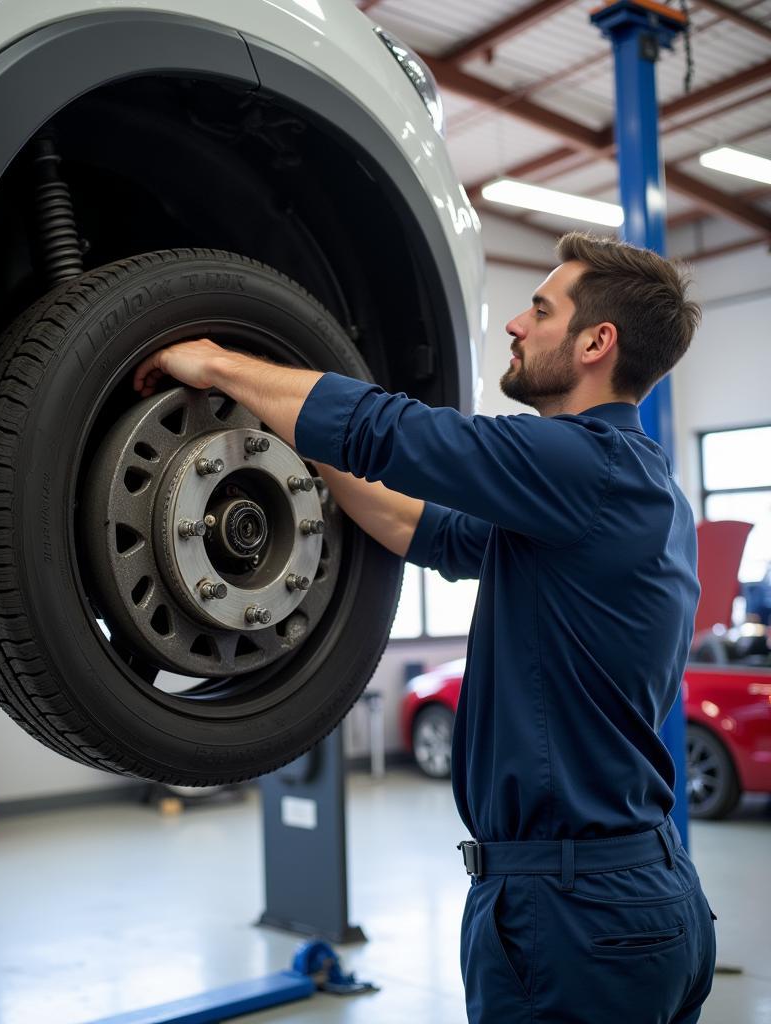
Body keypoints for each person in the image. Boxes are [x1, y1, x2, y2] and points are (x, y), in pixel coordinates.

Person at [134, 232, 716, 1023]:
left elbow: (394, 431)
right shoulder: (630, 493)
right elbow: (420, 527)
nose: (515, 323)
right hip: (627, 893)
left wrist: (220, 365)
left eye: (540, 310)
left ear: (595, 343)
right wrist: (291, 435)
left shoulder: (584, 465)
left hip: (575, 912)